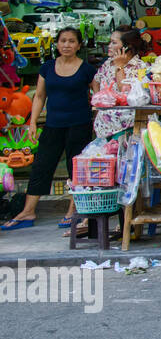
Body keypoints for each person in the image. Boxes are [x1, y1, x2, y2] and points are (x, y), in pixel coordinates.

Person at [2, 27, 95, 232]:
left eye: (72, 41)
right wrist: (33, 122)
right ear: (57, 44)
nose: (67, 45)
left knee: (76, 169)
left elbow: (97, 97)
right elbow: (40, 96)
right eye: (63, 41)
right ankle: (28, 211)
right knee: (41, 166)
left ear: (79, 45)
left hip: (79, 125)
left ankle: (74, 210)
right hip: (53, 125)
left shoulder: (87, 69)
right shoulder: (47, 67)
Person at [92, 26, 148, 141]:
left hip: (127, 127)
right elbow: (96, 81)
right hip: (104, 126)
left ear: (127, 47)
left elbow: (126, 92)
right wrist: (99, 104)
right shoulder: (108, 63)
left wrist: (120, 67)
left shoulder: (140, 67)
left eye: (113, 43)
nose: (109, 46)